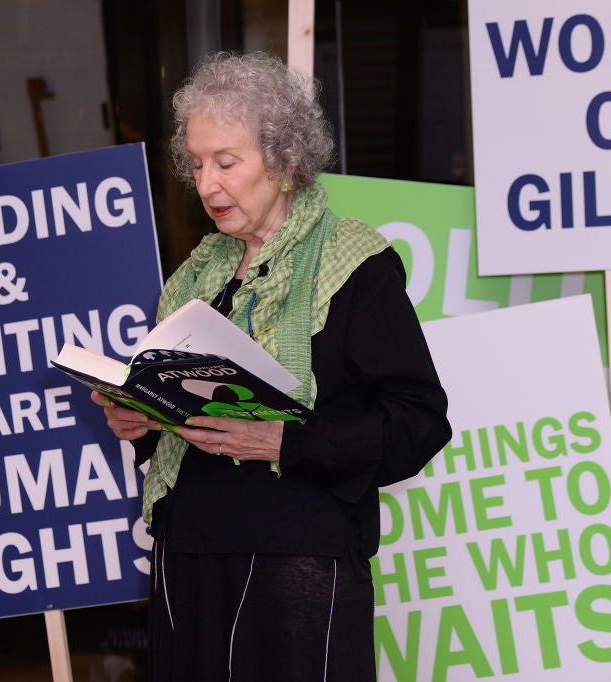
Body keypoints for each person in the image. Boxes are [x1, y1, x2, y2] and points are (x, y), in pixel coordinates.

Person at [91, 51, 451, 682]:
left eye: (226, 163)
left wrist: (286, 440)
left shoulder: (354, 264)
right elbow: (189, 420)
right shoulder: (195, 276)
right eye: (197, 163)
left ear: (284, 162)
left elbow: (419, 421)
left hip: (298, 562)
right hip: (191, 559)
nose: (206, 185)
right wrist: (142, 419)